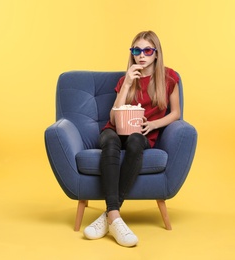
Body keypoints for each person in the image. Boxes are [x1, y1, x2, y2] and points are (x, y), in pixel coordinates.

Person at [83, 30, 181, 247]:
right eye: (137, 50)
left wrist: (154, 124)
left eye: (147, 50)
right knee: (109, 141)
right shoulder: (125, 80)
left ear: (156, 53)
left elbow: (175, 113)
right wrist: (127, 84)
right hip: (115, 130)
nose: (142, 55)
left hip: (142, 133)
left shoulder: (169, 77)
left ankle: (109, 215)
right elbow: (112, 117)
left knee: (136, 141)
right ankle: (115, 217)